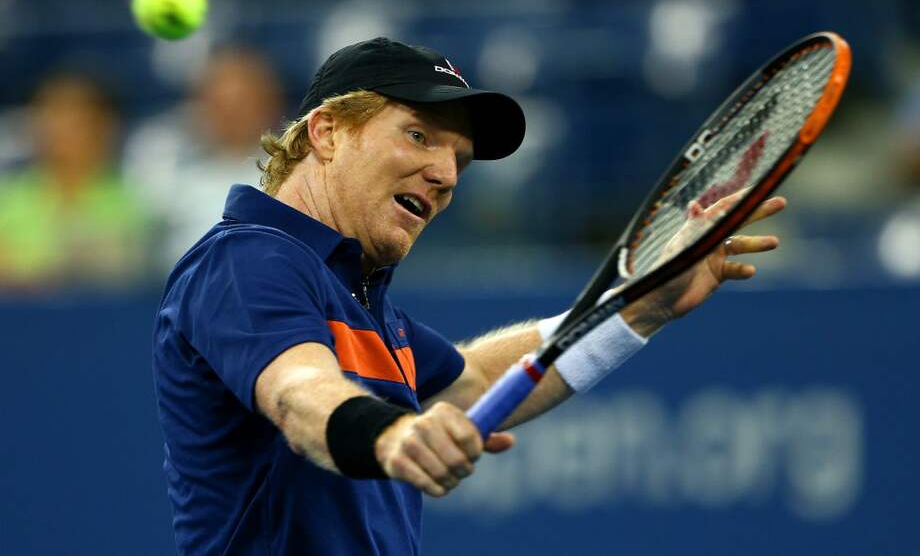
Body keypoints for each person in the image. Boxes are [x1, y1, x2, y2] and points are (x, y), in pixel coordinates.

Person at [152, 37, 785, 555]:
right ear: (326, 132)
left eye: (461, 157)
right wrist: (391, 438)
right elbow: (299, 395)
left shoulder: (352, 291)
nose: (447, 175)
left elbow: (475, 380)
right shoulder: (248, 258)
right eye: (420, 136)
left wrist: (642, 301)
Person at [124, 45, 284, 272]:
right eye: (220, 103)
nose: (231, 116)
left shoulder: (295, 167)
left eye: (243, 103)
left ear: (270, 103)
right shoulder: (161, 158)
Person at [0, 70, 149, 289]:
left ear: (104, 127)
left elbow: (124, 267)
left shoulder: (135, 198)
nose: (58, 131)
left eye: (76, 120)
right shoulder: (8, 196)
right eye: (49, 116)